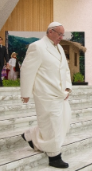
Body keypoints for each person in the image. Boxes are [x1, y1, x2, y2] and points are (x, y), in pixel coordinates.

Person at [20, 22, 72, 169]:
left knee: (64, 121)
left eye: (63, 34)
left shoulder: (59, 48)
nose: (61, 37)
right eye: (60, 34)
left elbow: (65, 70)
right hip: (45, 93)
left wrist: (68, 88)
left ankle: (31, 135)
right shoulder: (37, 46)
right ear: (50, 32)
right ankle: (54, 156)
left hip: (61, 94)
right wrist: (26, 93)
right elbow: (27, 70)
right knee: (53, 125)